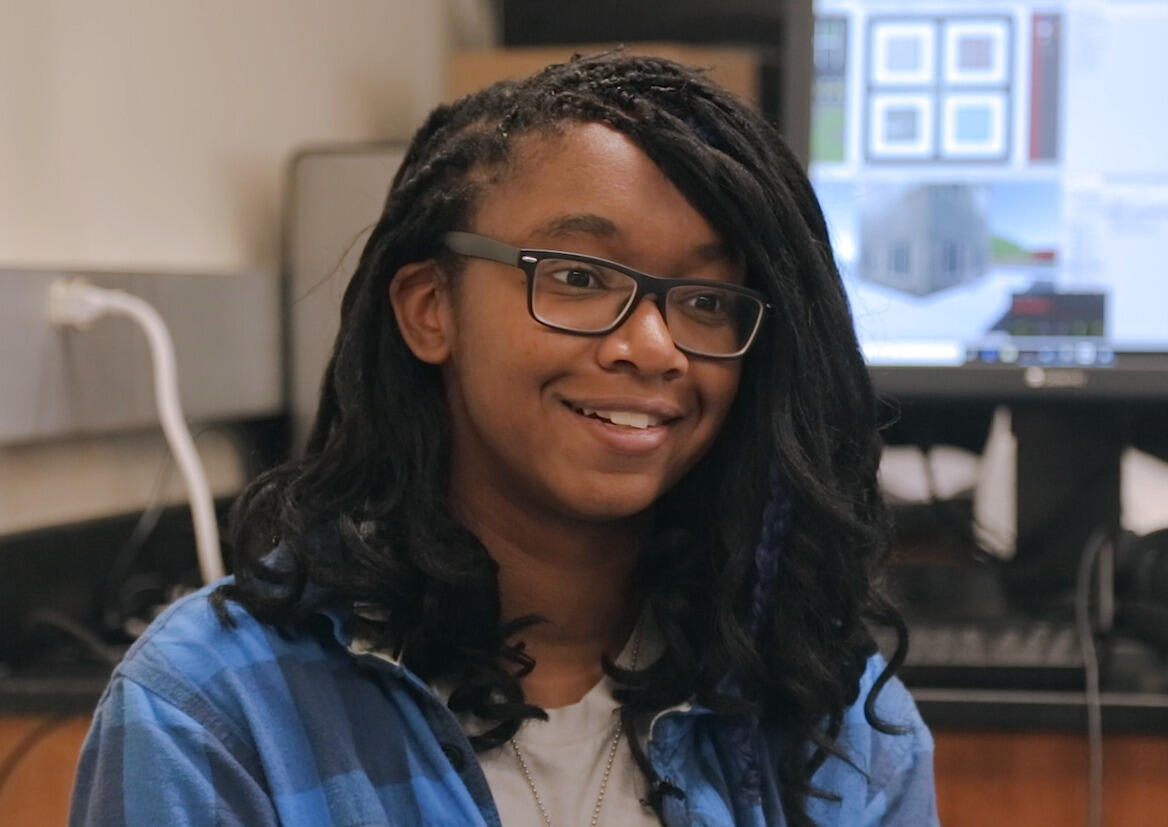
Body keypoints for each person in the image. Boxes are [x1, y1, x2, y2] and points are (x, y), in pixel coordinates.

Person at [70, 52, 936, 826]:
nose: (654, 347)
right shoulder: (213, 709)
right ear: (429, 308)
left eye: (706, 300)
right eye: (578, 277)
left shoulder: (834, 712)